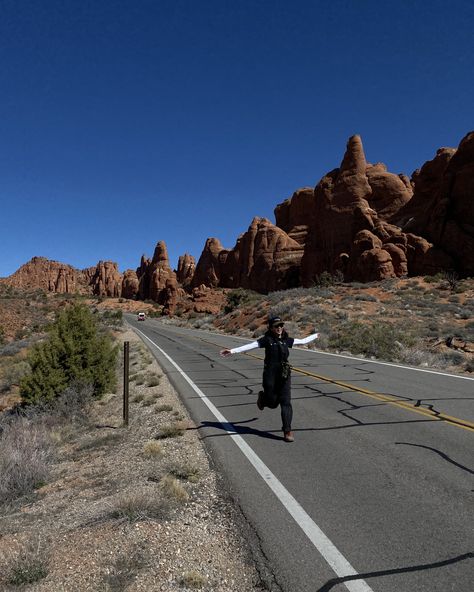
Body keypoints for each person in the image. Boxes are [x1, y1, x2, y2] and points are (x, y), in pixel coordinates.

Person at [220, 316, 319, 442]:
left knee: (286, 402)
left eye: (281, 326)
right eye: (276, 326)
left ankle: (287, 431)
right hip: (270, 374)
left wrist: (315, 336)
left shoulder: (286, 340)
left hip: (284, 375)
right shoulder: (267, 340)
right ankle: (263, 399)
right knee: (272, 403)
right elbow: (251, 345)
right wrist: (232, 351)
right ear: (270, 328)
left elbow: (303, 341)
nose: (279, 328)